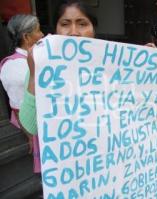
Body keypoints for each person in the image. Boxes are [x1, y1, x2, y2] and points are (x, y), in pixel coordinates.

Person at [19, 0, 97, 136]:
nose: (74, 32)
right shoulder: (41, 68)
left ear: (94, 30)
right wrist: (33, 76)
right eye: (65, 24)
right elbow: (30, 129)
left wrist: (145, 67)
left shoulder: (111, 68)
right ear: (56, 30)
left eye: (82, 24)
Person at [0, 14, 44, 173]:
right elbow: (18, 106)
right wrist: (30, 136)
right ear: (27, 37)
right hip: (33, 126)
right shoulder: (15, 67)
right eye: (38, 31)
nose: (42, 35)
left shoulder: (34, 58)